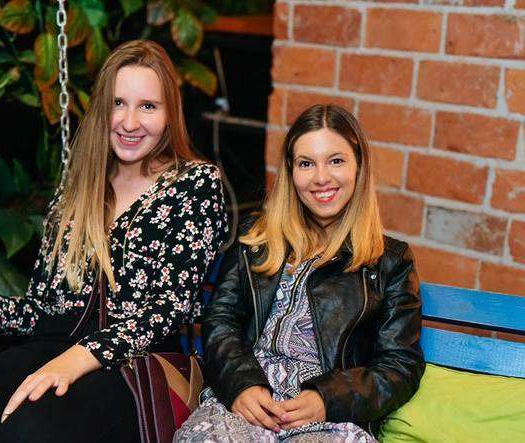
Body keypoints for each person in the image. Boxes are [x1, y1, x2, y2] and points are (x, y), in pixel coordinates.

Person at [0, 40, 228, 442]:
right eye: (118, 103)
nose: (129, 122)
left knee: (29, 433)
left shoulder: (194, 184)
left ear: (169, 114)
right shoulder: (78, 186)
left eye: (148, 106)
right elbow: (43, 310)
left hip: (137, 365)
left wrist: (75, 360)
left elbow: (168, 308)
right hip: (51, 348)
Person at [175, 104, 424, 443]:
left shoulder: (389, 262)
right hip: (249, 402)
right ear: (291, 172)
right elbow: (221, 319)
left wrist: (328, 399)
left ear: (359, 166)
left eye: (336, 161)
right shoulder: (257, 239)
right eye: (306, 163)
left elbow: (400, 365)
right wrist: (241, 384)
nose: (321, 178)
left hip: (328, 417)